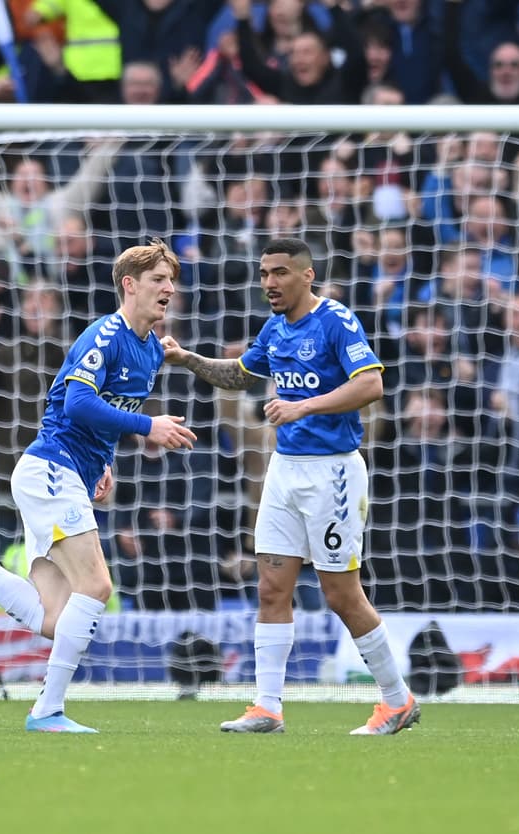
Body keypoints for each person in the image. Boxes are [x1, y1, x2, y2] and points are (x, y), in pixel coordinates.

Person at [0, 239, 198, 733]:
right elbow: (77, 404)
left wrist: (103, 462)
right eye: (159, 279)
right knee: (97, 585)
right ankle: (46, 711)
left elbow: (108, 414)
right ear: (130, 285)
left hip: (69, 471)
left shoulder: (148, 350)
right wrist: (147, 428)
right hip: (50, 468)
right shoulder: (105, 335)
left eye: (171, 280)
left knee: (55, 618)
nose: (169, 288)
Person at [162, 237, 420, 736]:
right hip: (284, 470)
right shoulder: (274, 329)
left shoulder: (335, 321)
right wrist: (188, 358)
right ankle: (267, 707)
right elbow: (240, 375)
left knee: (340, 594)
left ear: (307, 275)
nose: (269, 283)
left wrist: (303, 406)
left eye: (279, 273)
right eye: (263, 274)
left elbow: (371, 385)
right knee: (271, 587)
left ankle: (397, 699)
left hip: (333, 473)